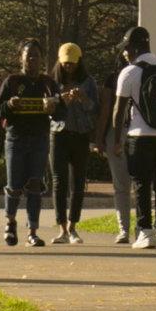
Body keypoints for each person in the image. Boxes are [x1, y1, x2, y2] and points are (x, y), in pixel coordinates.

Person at [108, 27, 156, 250]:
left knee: (141, 184)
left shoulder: (129, 72)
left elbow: (118, 111)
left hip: (139, 136)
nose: (124, 54)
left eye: (126, 49)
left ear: (133, 48)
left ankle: (145, 232)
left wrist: (118, 141)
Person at [0, 39, 57, 247]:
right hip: (16, 139)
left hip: (39, 139)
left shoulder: (48, 83)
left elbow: (61, 112)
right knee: (14, 185)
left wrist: (52, 107)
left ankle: (33, 231)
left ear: (42, 59)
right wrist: (9, 105)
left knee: (35, 184)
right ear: (20, 58)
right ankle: (10, 222)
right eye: (28, 55)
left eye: (36, 56)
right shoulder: (12, 82)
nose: (32, 59)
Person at [47, 43, 101, 245]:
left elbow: (95, 109)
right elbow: (47, 109)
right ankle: (61, 228)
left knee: (78, 183)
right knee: (59, 182)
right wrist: (62, 101)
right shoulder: (52, 82)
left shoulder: (88, 82)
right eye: (65, 63)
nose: (69, 67)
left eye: (72, 63)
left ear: (79, 62)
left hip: (80, 135)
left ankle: (73, 227)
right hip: (58, 135)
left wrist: (84, 99)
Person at [104, 44, 137, 244]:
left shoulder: (144, 75)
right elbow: (108, 110)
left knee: (131, 185)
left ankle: (137, 228)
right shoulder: (114, 79)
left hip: (136, 134)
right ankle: (124, 229)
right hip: (118, 133)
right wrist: (101, 138)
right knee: (122, 185)